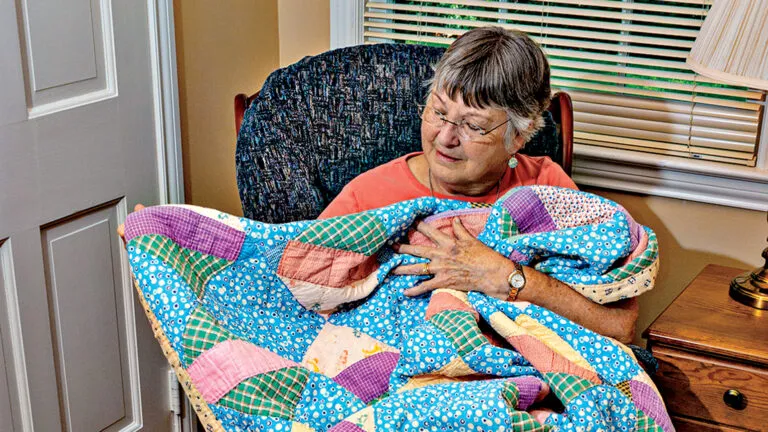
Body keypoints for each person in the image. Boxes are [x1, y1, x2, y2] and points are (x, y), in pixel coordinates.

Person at [319, 27, 639, 343]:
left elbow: (618, 326)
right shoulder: (369, 195)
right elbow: (303, 298)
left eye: (473, 126)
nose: (445, 138)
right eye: (439, 111)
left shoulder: (547, 190)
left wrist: (504, 276)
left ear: (519, 135)